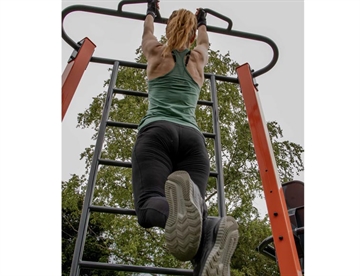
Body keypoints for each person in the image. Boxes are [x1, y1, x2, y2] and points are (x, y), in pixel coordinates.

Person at [131, 1, 239, 275]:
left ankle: (186, 211)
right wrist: (203, 22)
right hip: (193, 141)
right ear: (192, 34)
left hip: (157, 132)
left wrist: (151, 12)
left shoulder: (156, 51)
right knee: (198, 227)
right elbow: (205, 41)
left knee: (149, 206)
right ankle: (213, 227)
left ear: (168, 30)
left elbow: (146, 32)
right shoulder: (198, 58)